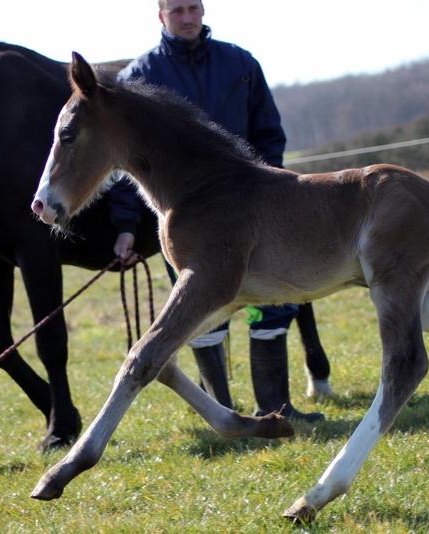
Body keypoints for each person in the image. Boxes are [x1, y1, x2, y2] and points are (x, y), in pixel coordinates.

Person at [109, 0, 321, 422]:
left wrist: (272, 192)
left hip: (257, 213)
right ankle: (222, 413)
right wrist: (124, 226)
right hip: (187, 223)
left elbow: (268, 134)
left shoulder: (240, 63)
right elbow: (126, 162)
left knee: (272, 303)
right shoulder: (139, 78)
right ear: (160, 16)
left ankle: (277, 408)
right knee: (198, 313)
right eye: (177, 11)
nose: (187, 18)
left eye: (193, 8)